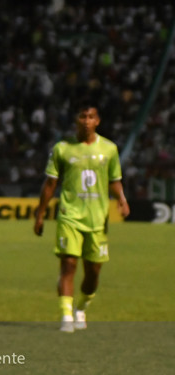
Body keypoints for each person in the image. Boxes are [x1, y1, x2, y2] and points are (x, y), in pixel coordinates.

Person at [34, 101, 130, 332]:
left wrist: (122, 199)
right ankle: (66, 316)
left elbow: (114, 180)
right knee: (68, 265)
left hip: (97, 219)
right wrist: (40, 213)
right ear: (76, 120)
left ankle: (81, 308)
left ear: (97, 121)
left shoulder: (109, 149)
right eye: (82, 116)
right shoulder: (62, 149)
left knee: (93, 272)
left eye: (91, 117)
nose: (86, 121)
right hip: (69, 215)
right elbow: (50, 184)